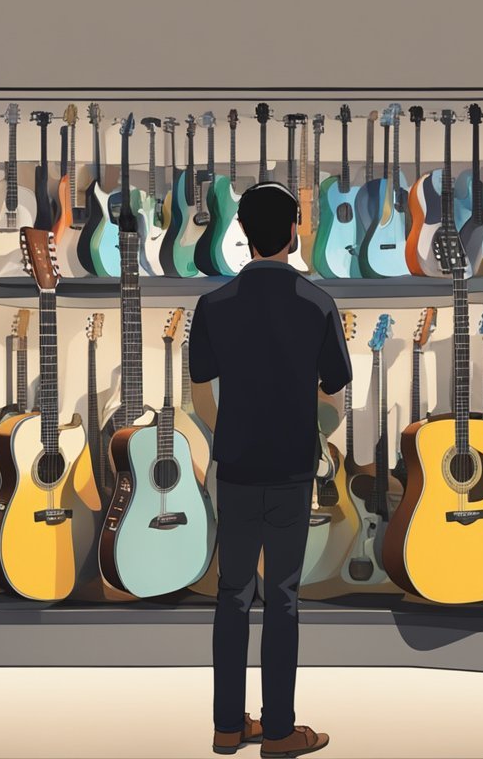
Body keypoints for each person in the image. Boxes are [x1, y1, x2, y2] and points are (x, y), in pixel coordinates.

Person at [189, 182, 350, 758]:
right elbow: (334, 389)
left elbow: (201, 387)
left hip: (234, 465)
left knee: (232, 593)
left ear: (240, 231)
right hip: (289, 467)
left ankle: (227, 726)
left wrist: (222, 434)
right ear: (295, 229)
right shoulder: (316, 302)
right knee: (282, 595)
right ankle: (279, 732)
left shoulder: (213, 305)